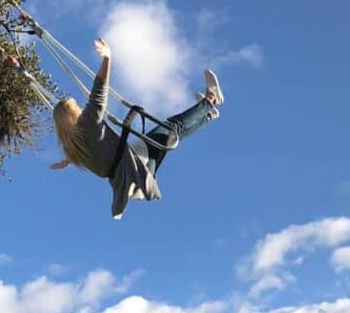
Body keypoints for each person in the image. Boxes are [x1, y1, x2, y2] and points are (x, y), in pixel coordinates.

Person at [50, 37, 224, 219]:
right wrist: (107, 58)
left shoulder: (74, 148)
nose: (81, 108)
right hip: (135, 161)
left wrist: (67, 161)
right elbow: (99, 91)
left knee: (170, 137)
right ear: (72, 115)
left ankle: (207, 116)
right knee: (172, 126)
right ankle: (211, 100)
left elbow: (93, 150)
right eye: (76, 106)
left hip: (131, 179)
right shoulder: (87, 124)